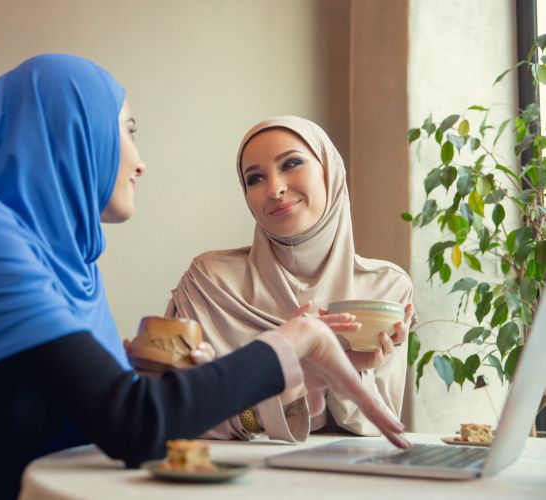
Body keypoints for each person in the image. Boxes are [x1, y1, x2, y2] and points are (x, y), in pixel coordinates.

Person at [0, 57, 409, 499]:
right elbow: (136, 426)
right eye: (127, 131)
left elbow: (125, 412)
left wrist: (296, 376)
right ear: (69, 132)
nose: (139, 159)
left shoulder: (71, 263)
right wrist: (292, 341)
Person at [167, 116, 415, 442]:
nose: (275, 189)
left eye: (291, 163)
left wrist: (344, 365)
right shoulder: (209, 283)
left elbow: (374, 426)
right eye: (254, 179)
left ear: (330, 170)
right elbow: (176, 415)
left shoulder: (385, 286)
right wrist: (284, 364)